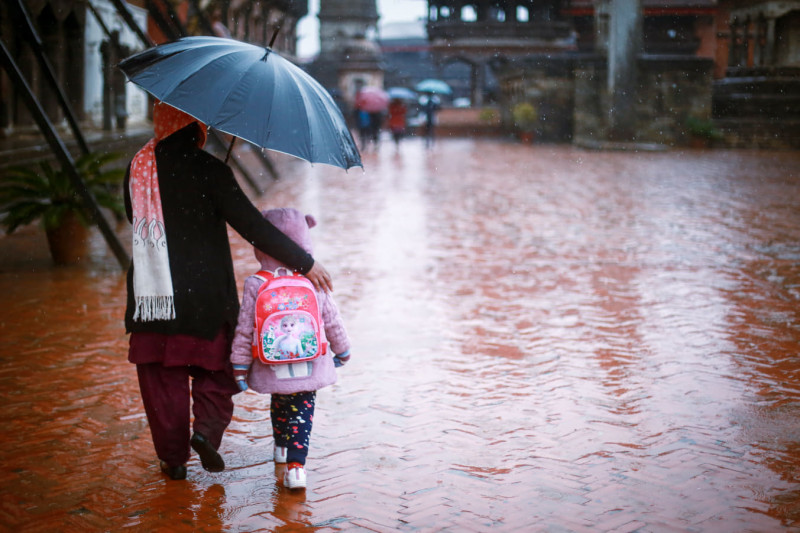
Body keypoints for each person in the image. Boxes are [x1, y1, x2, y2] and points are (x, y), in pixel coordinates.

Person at [124, 101, 333, 481]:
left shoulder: (138, 168)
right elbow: (252, 226)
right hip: (203, 295)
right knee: (218, 370)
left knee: (160, 381)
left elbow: (136, 219)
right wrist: (304, 262)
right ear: (194, 126)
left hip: (151, 296)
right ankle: (204, 431)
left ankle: (173, 460)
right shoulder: (209, 170)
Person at [230, 207, 351, 490]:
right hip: (309, 363)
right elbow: (331, 319)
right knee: (302, 410)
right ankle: (297, 467)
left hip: (271, 363)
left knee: (281, 401)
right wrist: (342, 350)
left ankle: (281, 448)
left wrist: (239, 364)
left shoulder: (256, 283)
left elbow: (245, 327)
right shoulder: (313, 278)